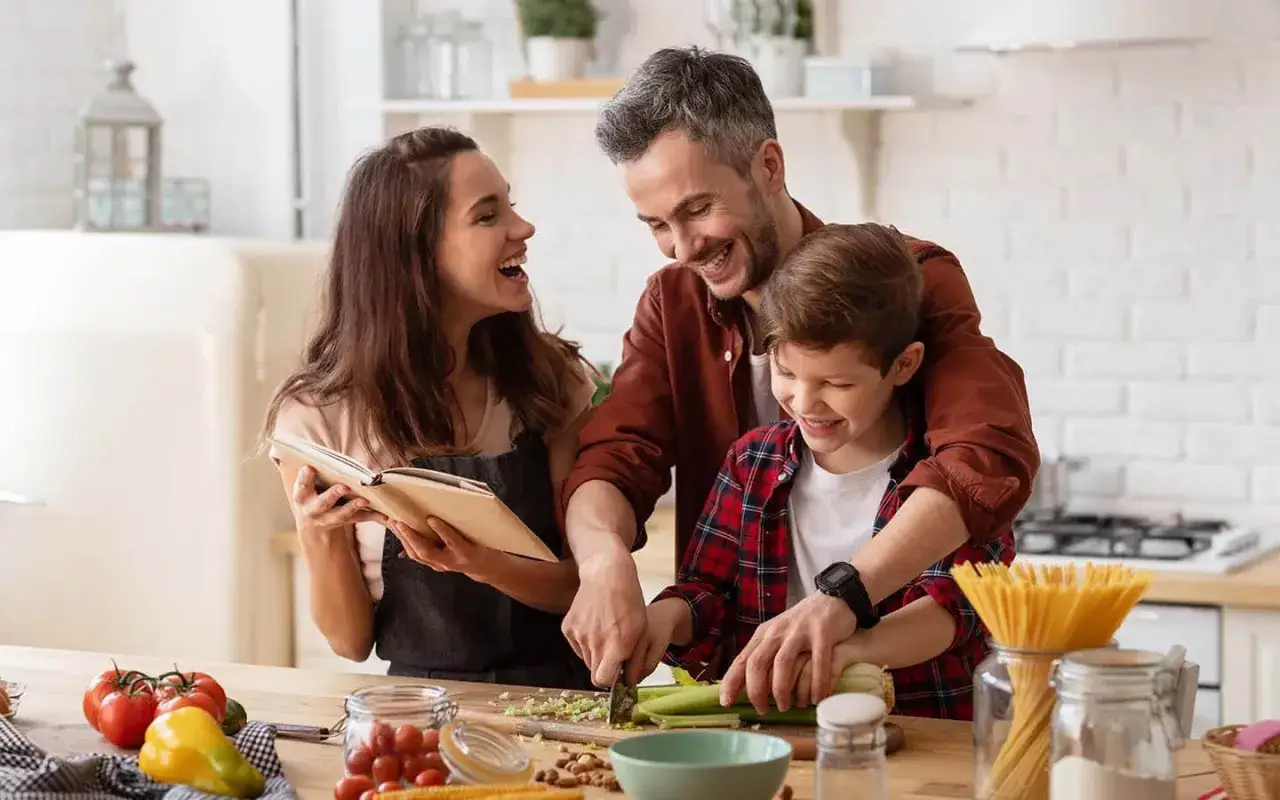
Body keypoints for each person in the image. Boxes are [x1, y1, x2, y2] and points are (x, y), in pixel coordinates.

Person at [558, 46, 1039, 706]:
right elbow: (613, 460)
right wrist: (603, 559)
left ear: (769, 166)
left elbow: (983, 455)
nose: (683, 247)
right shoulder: (671, 304)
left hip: (913, 704)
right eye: (657, 225)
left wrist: (844, 599)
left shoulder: (909, 281)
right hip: (747, 711)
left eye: (697, 209)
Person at [262, 126, 598, 690]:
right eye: (488, 216)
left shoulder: (551, 382)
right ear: (414, 253)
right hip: (420, 713)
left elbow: (581, 587)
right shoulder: (315, 420)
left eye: (509, 205)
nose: (523, 228)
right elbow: (350, 641)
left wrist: (476, 561)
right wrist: (316, 532)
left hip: (561, 702)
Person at [642, 223, 1015, 720]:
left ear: (903, 365)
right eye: (787, 372)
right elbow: (708, 593)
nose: (804, 401)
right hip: (784, 741)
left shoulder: (947, 477)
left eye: (836, 382)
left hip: (925, 736)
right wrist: (664, 619)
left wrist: (846, 654)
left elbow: (958, 606)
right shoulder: (751, 462)